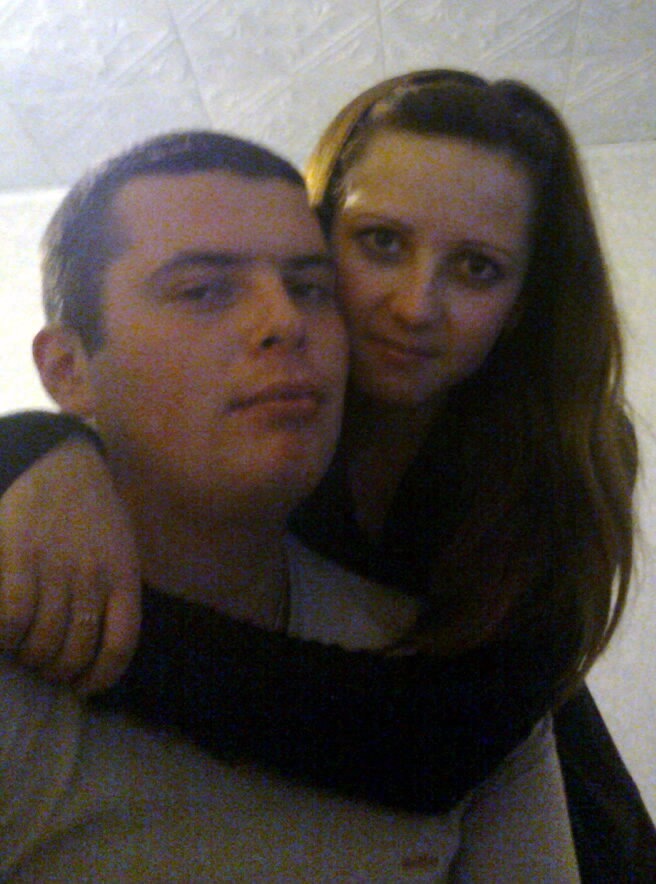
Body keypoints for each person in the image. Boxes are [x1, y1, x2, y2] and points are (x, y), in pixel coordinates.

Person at [1, 71, 653, 875]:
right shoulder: (267, 417)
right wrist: (35, 446)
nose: (416, 307)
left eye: (478, 268)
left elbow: (433, 746)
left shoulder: (564, 456)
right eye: (381, 243)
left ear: (521, 302)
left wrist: (79, 624)